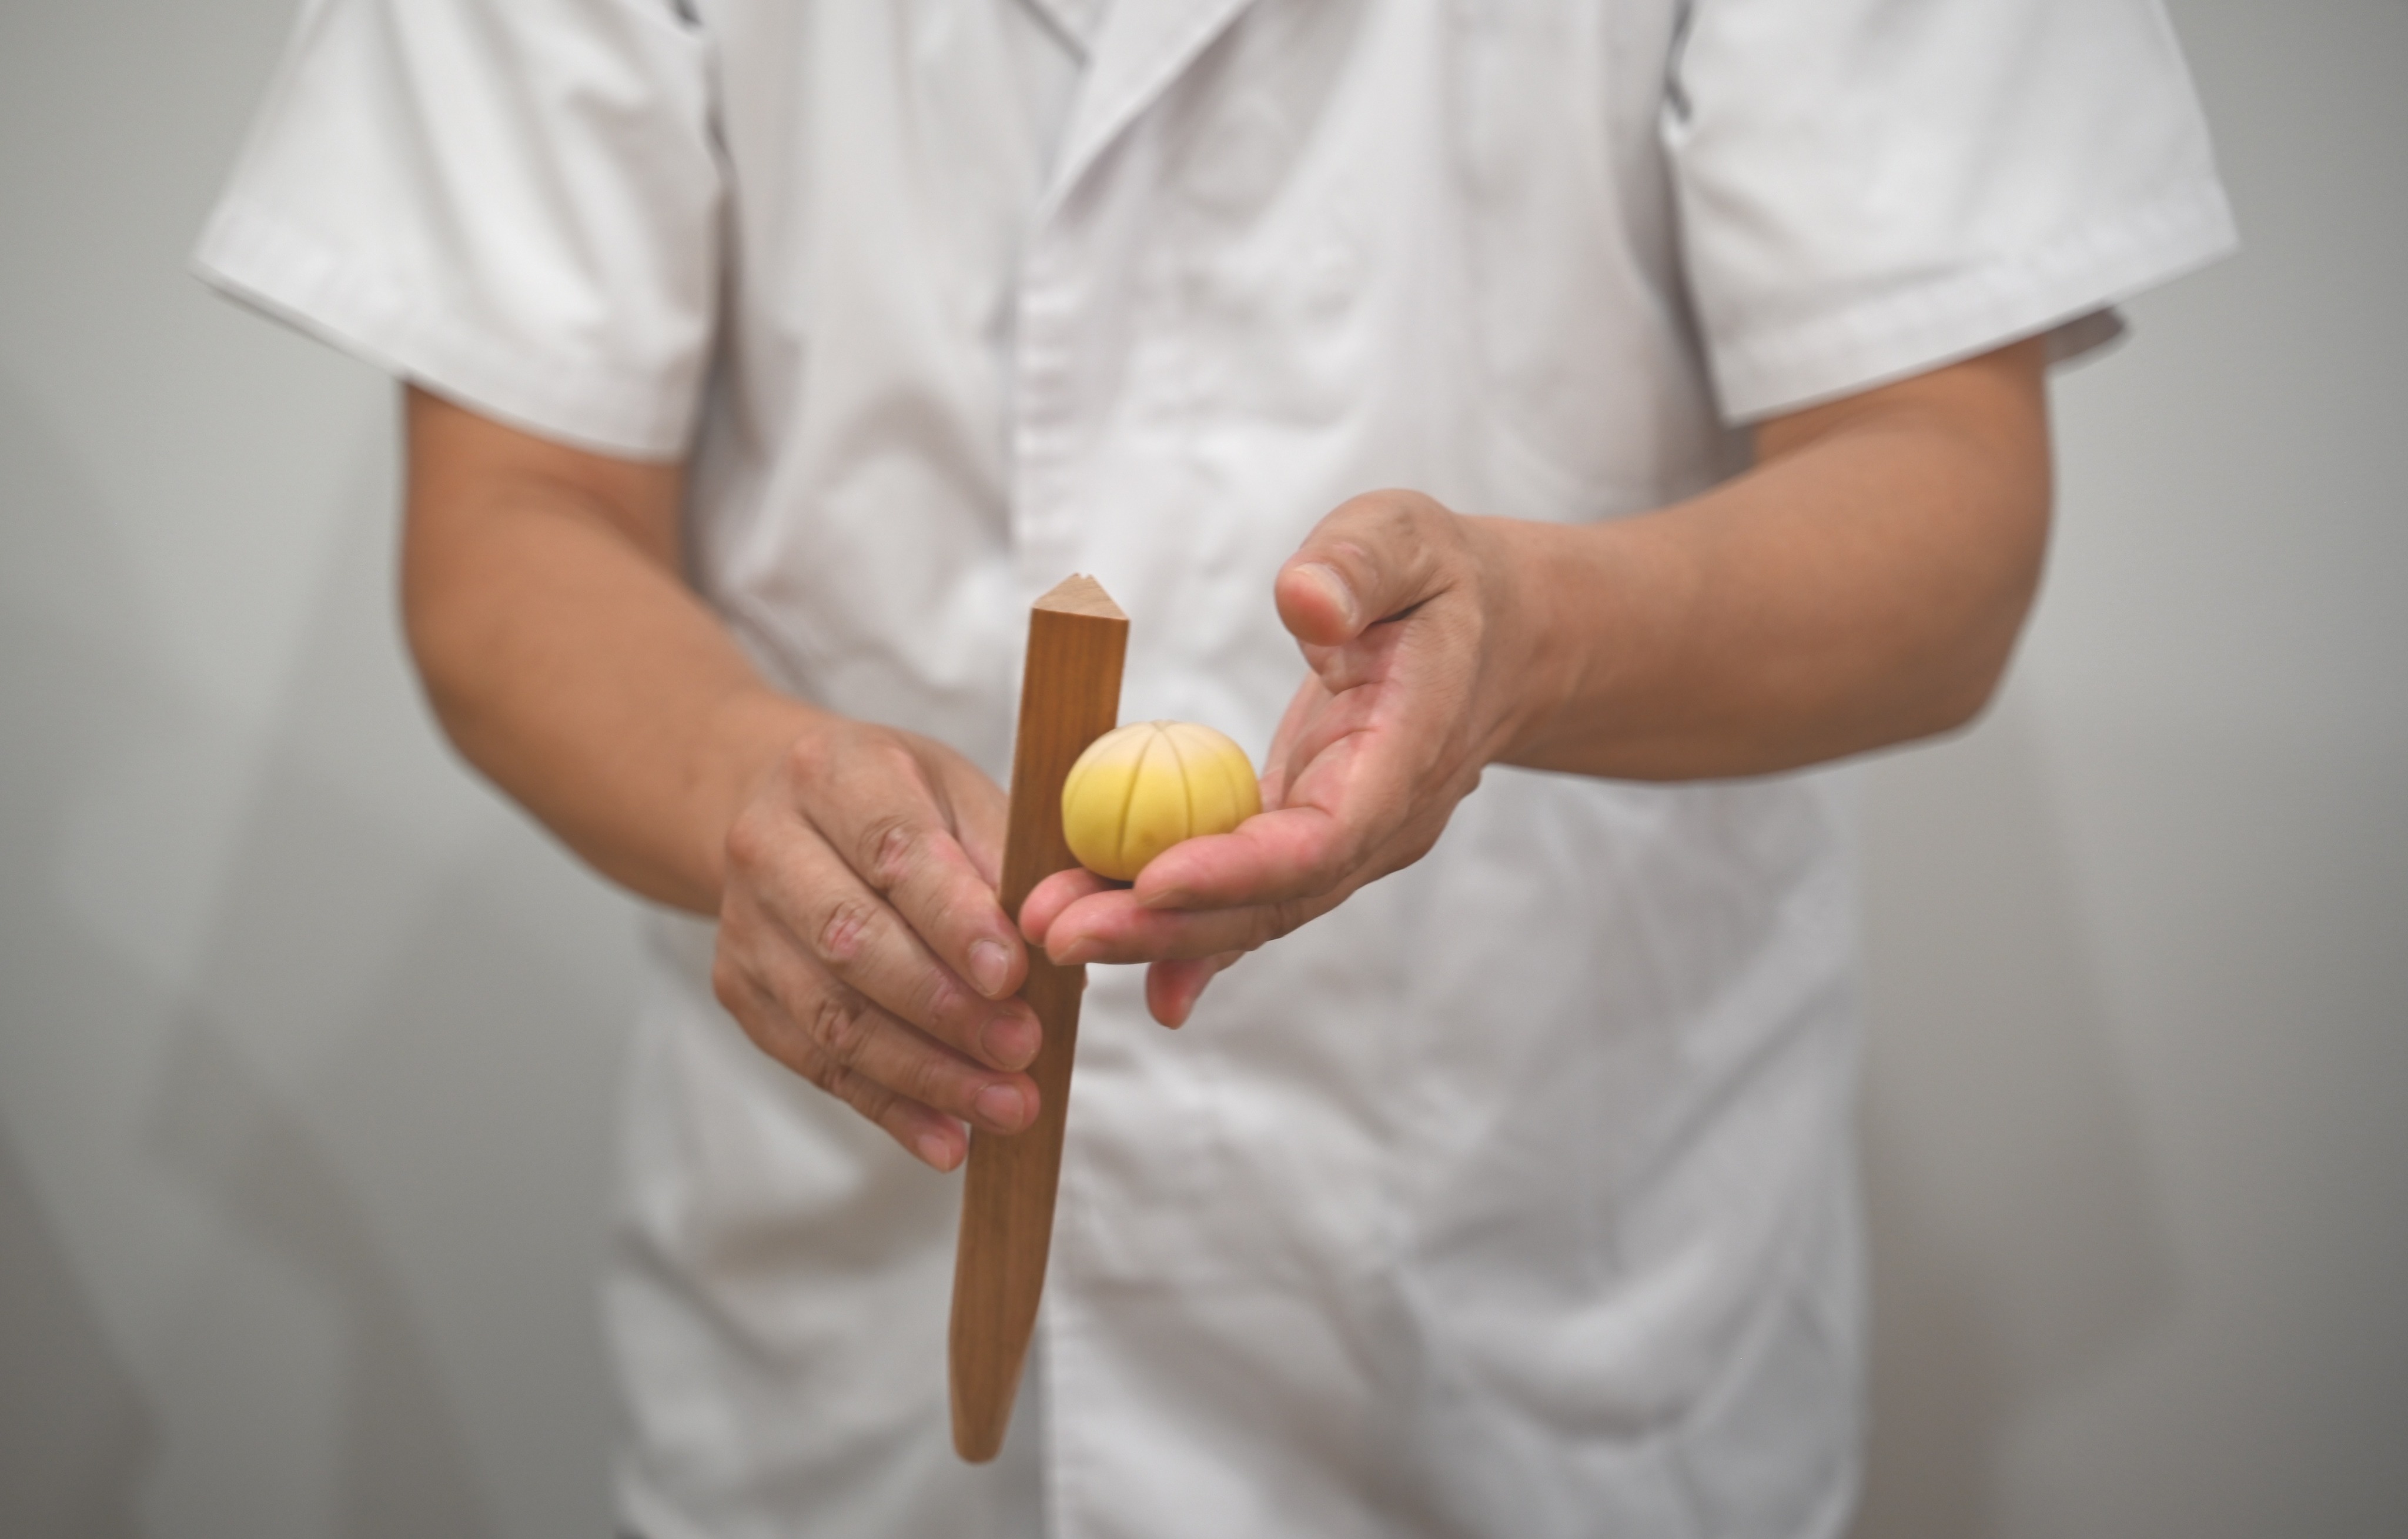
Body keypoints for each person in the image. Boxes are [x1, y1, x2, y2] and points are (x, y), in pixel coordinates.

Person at [196, 1, 2233, 1533]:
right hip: (845, 1334)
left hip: (1553, 1299)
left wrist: (1523, 644)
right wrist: (751, 779)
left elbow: (1945, 518)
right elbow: (515, 511)